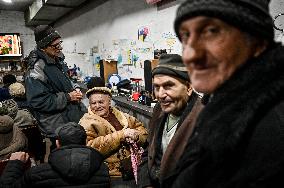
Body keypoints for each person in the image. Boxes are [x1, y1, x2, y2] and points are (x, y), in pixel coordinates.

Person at [162, 0, 284, 187]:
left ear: (258, 43)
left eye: (211, 31)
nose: (189, 55)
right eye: (185, 36)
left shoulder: (269, 131)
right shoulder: (222, 106)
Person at [138, 54, 203, 187]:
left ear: (189, 88)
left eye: (168, 86)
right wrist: (146, 184)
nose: (160, 94)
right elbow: (148, 152)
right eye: (157, 87)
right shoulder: (159, 109)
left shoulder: (204, 118)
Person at [79, 77, 148, 187]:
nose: (97, 106)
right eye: (93, 103)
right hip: (111, 174)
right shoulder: (86, 122)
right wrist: (121, 135)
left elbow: (142, 130)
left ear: (109, 101)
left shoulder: (121, 115)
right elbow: (89, 148)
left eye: (101, 102)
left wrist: (136, 136)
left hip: (134, 167)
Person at [0, 122, 110, 187]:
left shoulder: (36, 174)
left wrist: (14, 164)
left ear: (57, 143)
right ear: (85, 142)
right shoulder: (103, 171)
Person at [25, 25, 86, 140]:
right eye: (55, 45)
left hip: (71, 117)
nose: (60, 48)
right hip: (57, 124)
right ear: (43, 47)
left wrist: (75, 88)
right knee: (62, 153)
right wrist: (68, 97)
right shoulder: (37, 69)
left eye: (60, 43)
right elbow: (38, 101)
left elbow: (68, 79)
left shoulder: (58, 59)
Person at [8, 82, 45, 162]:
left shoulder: (8, 107)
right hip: (34, 140)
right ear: (24, 91)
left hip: (14, 143)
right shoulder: (32, 104)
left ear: (10, 92)